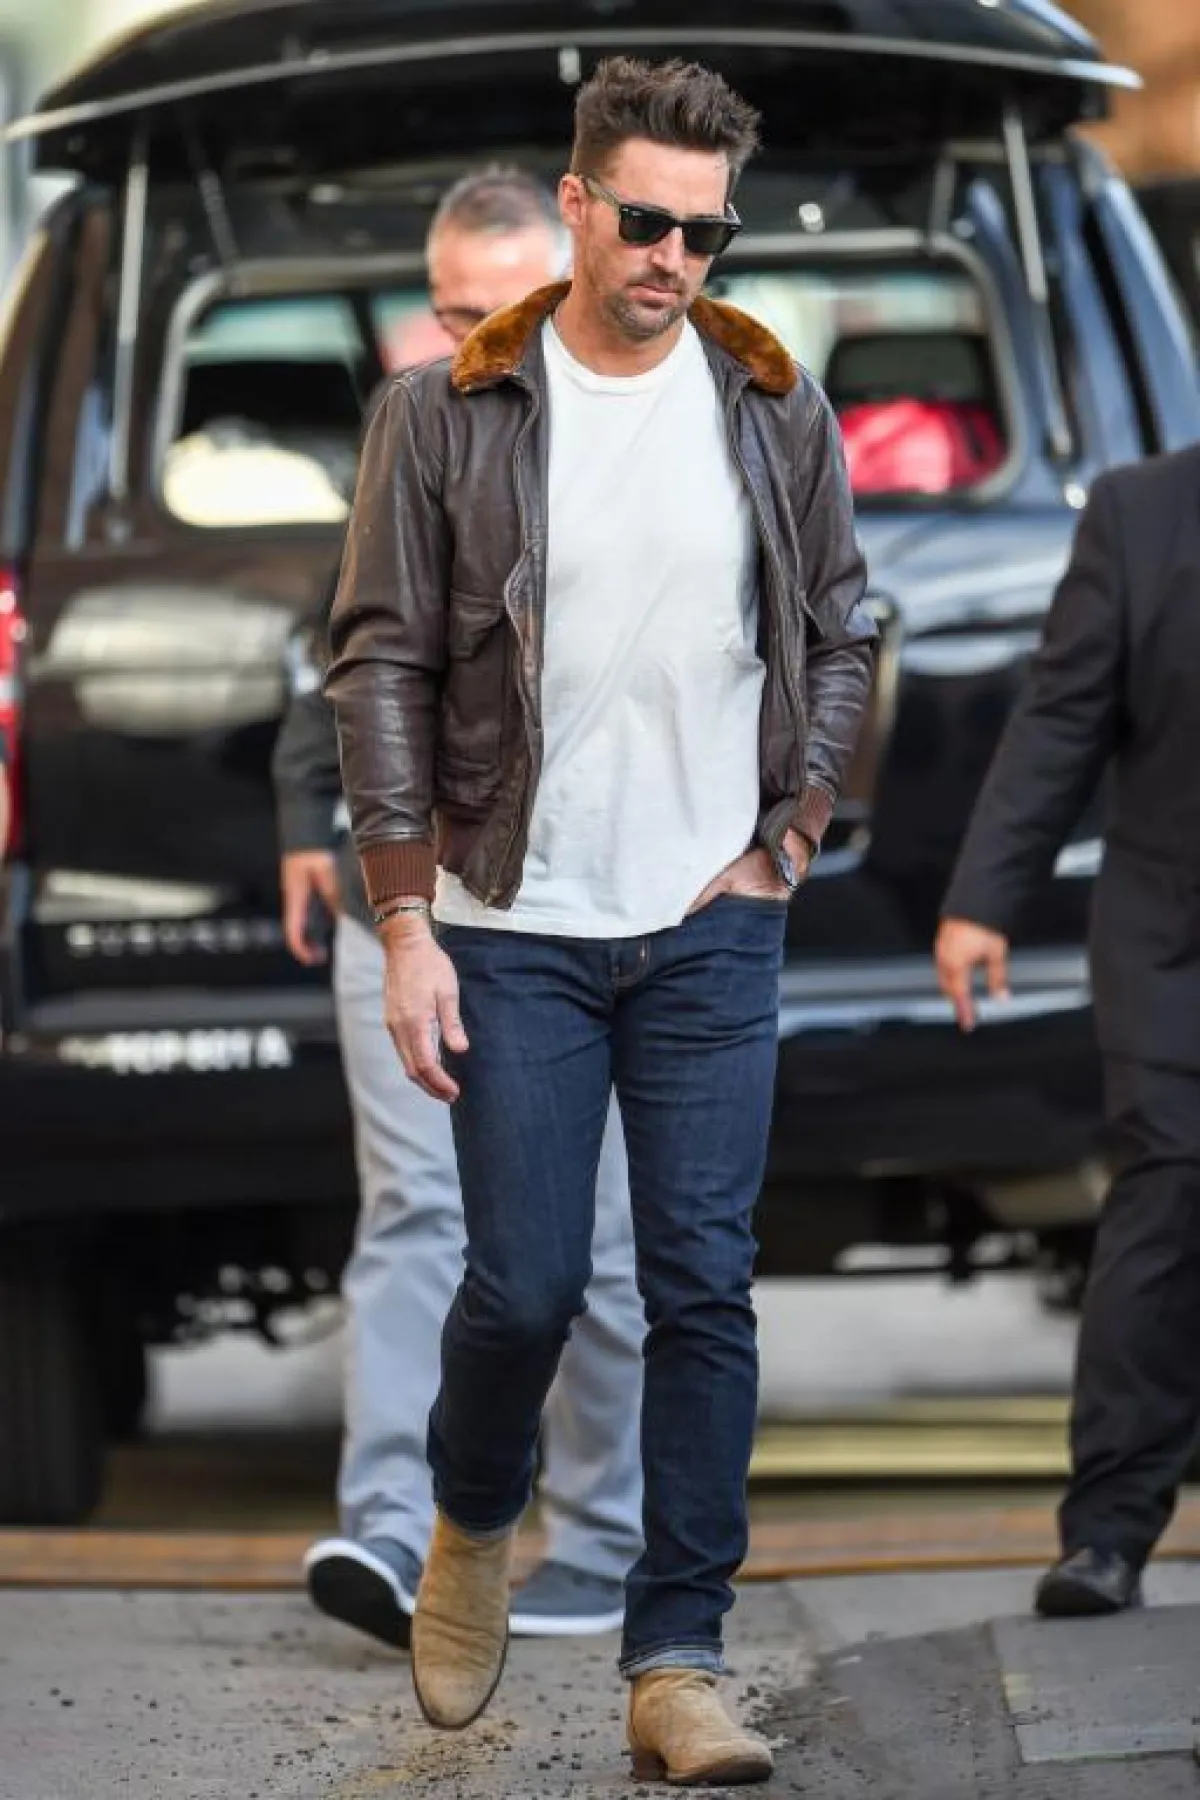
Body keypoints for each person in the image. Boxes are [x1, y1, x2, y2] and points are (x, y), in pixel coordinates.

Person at [327, 58, 874, 1783]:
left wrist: (790, 835)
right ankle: (472, 1516)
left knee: (706, 1285)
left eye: (706, 232)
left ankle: (677, 1661)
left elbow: (845, 628)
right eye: (645, 221)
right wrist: (405, 919)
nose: (674, 258)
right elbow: (380, 665)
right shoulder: (444, 413)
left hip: (711, 916)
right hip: (510, 920)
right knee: (527, 1285)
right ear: (575, 205)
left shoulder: (770, 401)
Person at [273, 166, 646, 1649]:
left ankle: (606, 1542)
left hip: (584, 897)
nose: (469, 341)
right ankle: (386, 1531)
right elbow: (349, 632)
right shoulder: (413, 421)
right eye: (445, 314)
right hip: (411, 890)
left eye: (503, 309)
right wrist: (313, 814)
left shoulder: (654, 431)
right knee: (419, 1208)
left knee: (597, 1231)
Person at [936, 444, 1200, 1620]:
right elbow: (1060, 718)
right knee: (1170, 1184)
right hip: (1171, 932)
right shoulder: (1142, 514)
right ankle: (1108, 1530)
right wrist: (983, 898)